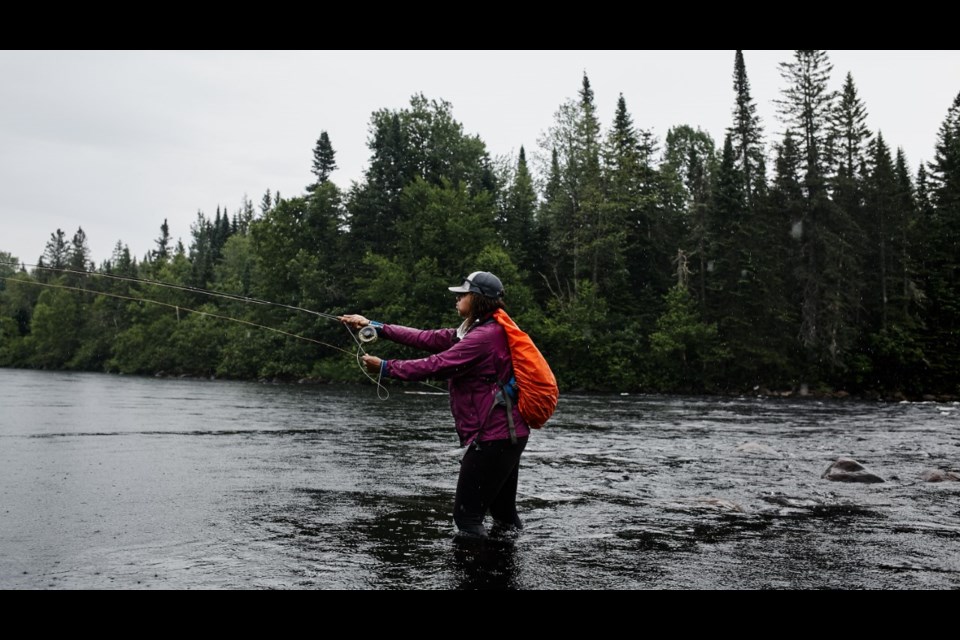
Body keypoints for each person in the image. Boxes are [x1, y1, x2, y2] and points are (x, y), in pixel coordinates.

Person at [340, 271, 529, 538]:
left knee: (467, 518)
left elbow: (438, 364)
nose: (457, 298)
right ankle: (507, 575)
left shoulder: (483, 336)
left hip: (493, 437)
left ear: (477, 299)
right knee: (504, 516)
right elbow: (423, 338)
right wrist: (374, 325)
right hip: (508, 434)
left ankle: (475, 578)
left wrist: (386, 367)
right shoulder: (476, 330)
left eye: (462, 294)